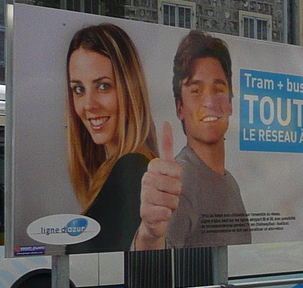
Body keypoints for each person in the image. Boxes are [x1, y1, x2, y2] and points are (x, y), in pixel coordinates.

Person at [137, 31, 252, 249]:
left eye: (218, 90)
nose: (209, 102)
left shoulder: (230, 182)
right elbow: (155, 257)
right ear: (180, 106)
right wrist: (149, 235)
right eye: (196, 91)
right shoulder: (181, 179)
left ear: (230, 104)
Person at [64, 24, 159, 252]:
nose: (89, 105)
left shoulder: (132, 169)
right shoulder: (122, 168)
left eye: (103, 86)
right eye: (79, 89)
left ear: (130, 89)